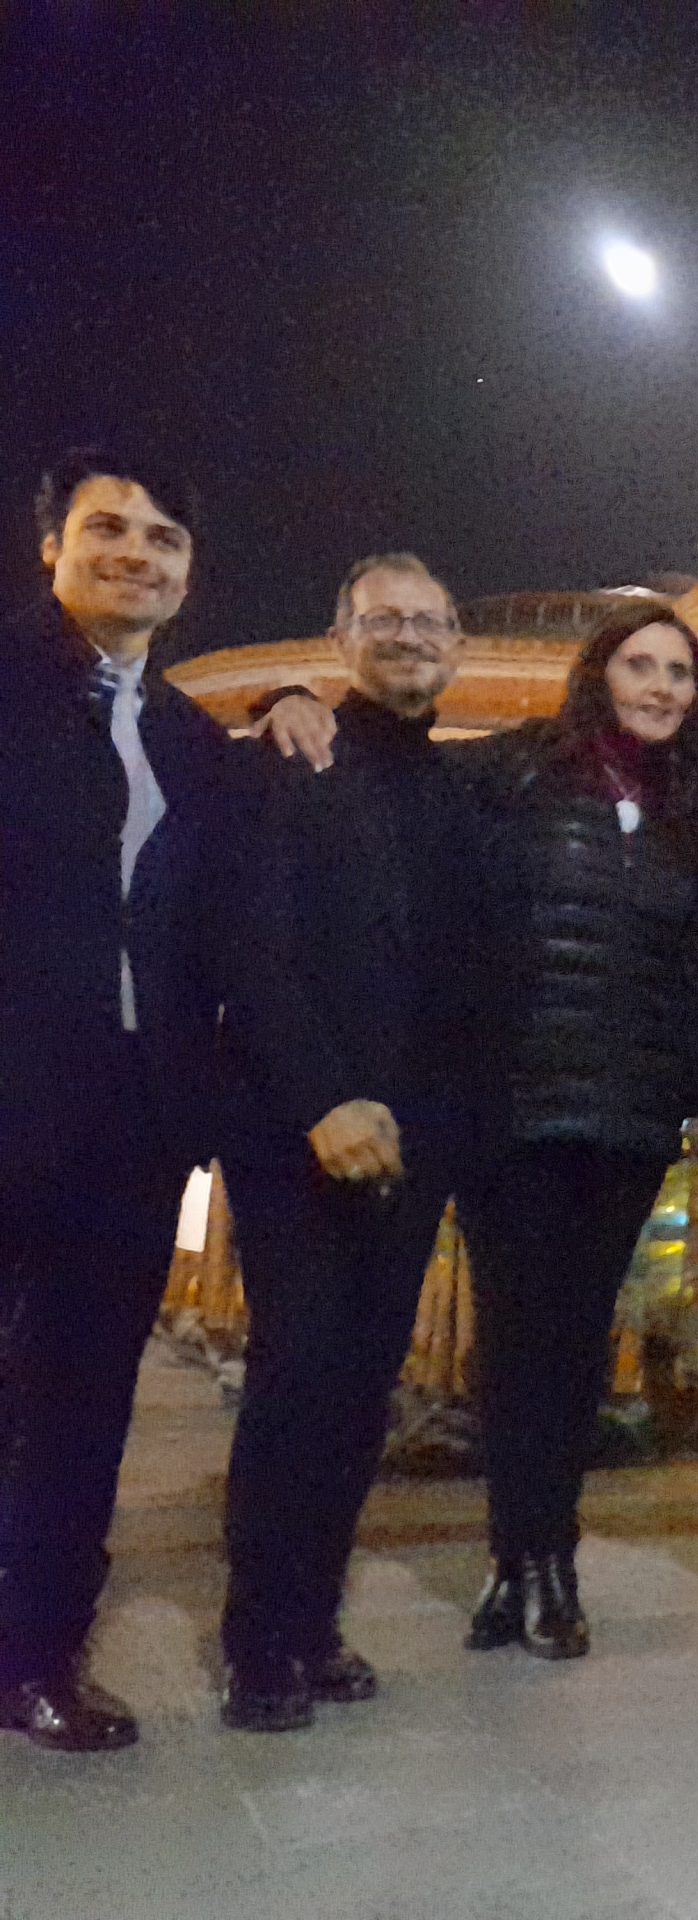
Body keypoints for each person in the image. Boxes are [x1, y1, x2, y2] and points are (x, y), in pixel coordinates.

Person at [0, 449, 328, 1751]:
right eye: (109, 529)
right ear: (52, 548)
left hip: (130, 1128)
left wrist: (305, 700)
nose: (137, 553)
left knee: (81, 1408)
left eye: (164, 540)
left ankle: (38, 1657)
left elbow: (230, 935)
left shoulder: (193, 743)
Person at [215, 553, 494, 1730]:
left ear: (456, 646)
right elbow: (255, 952)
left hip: (414, 1141)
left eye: (430, 621)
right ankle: (259, 1643)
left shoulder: (458, 787)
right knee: (296, 1381)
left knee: (359, 1392)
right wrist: (323, 1100)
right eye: (385, 619)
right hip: (302, 1135)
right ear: (340, 637)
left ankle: (314, 1619)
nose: (410, 637)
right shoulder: (288, 760)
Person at [452, 601, 698, 1659]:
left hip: (630, 1114)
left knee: (574, 1341)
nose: (660, 687)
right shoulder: (517, 772)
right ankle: (517, 1559)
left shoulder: (697, 804)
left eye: (679, 673)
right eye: (639, 665)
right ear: (599, 674)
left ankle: (546, 1555)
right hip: (513, 1108)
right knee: (516, 1338)